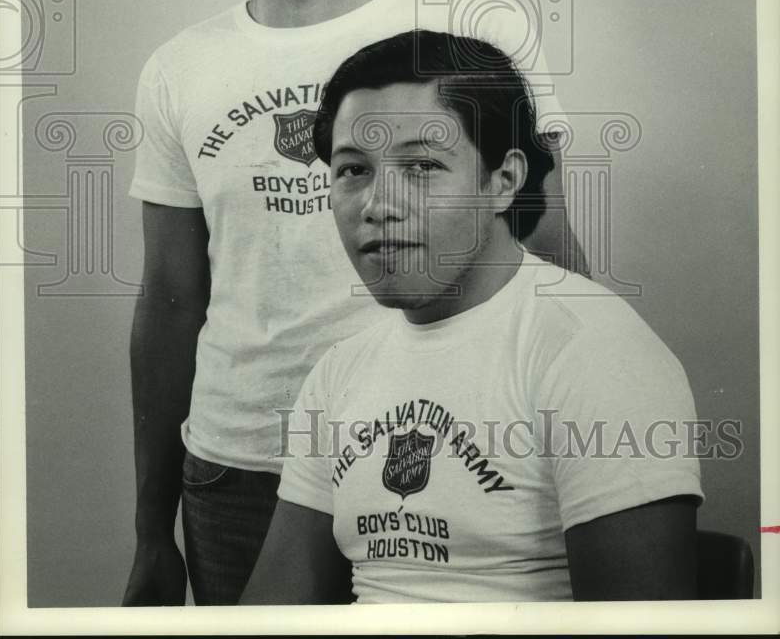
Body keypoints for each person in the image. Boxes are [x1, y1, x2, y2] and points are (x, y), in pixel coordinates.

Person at [123, 0, 584, 606]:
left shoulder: (468, 31)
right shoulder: (177, 69)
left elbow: (554, 260)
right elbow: (171, 300)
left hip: (450, 444)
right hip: (241, 469)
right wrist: (152, 531)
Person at [242, 30, 703, 604]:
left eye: (423, 166)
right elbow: (273, 611)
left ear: (504, 181)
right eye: (353, 170)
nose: (379, 205)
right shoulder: (340, 371)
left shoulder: (592, 353)